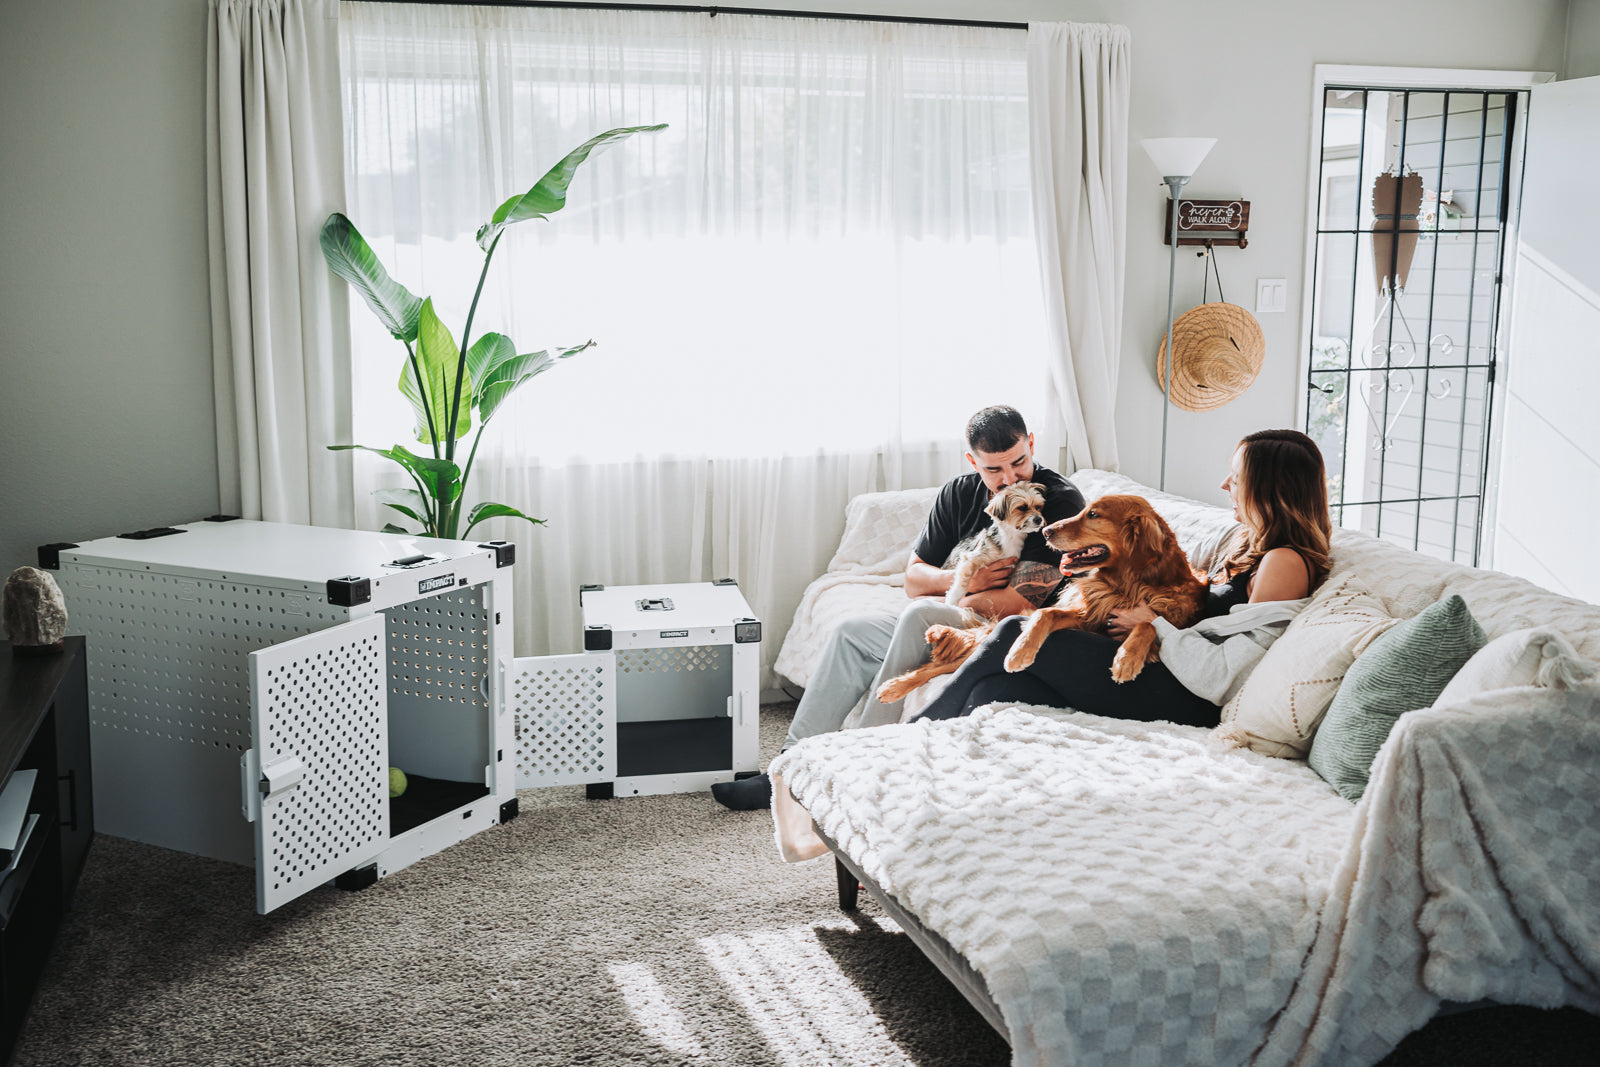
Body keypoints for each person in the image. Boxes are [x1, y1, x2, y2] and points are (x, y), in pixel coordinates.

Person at [711, 405, 1086, 809]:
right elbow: (913, 580)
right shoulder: (959, 493)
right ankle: (786, 772)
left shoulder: (1058, 502)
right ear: (972, 461)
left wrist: (957, 595)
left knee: (919, 614)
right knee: (851, 634)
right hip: (956, 607)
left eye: (1019, 462)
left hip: (1007, 630)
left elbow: (1017, 602)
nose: (1009, 478)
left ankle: (864, 758)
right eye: (994, 469)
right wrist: (961, 579)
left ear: (1031, 445)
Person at [913, 428, 1333, 725]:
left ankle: (912, 733)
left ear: (1274, 491)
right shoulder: (1251, 544)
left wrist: (1154, 626)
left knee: (1010, 633)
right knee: (990, 689)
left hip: (1186, 694)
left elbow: (1234, 668)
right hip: (1164, 669)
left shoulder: (1285, 562)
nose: (1225, 485)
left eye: (1238, 479)